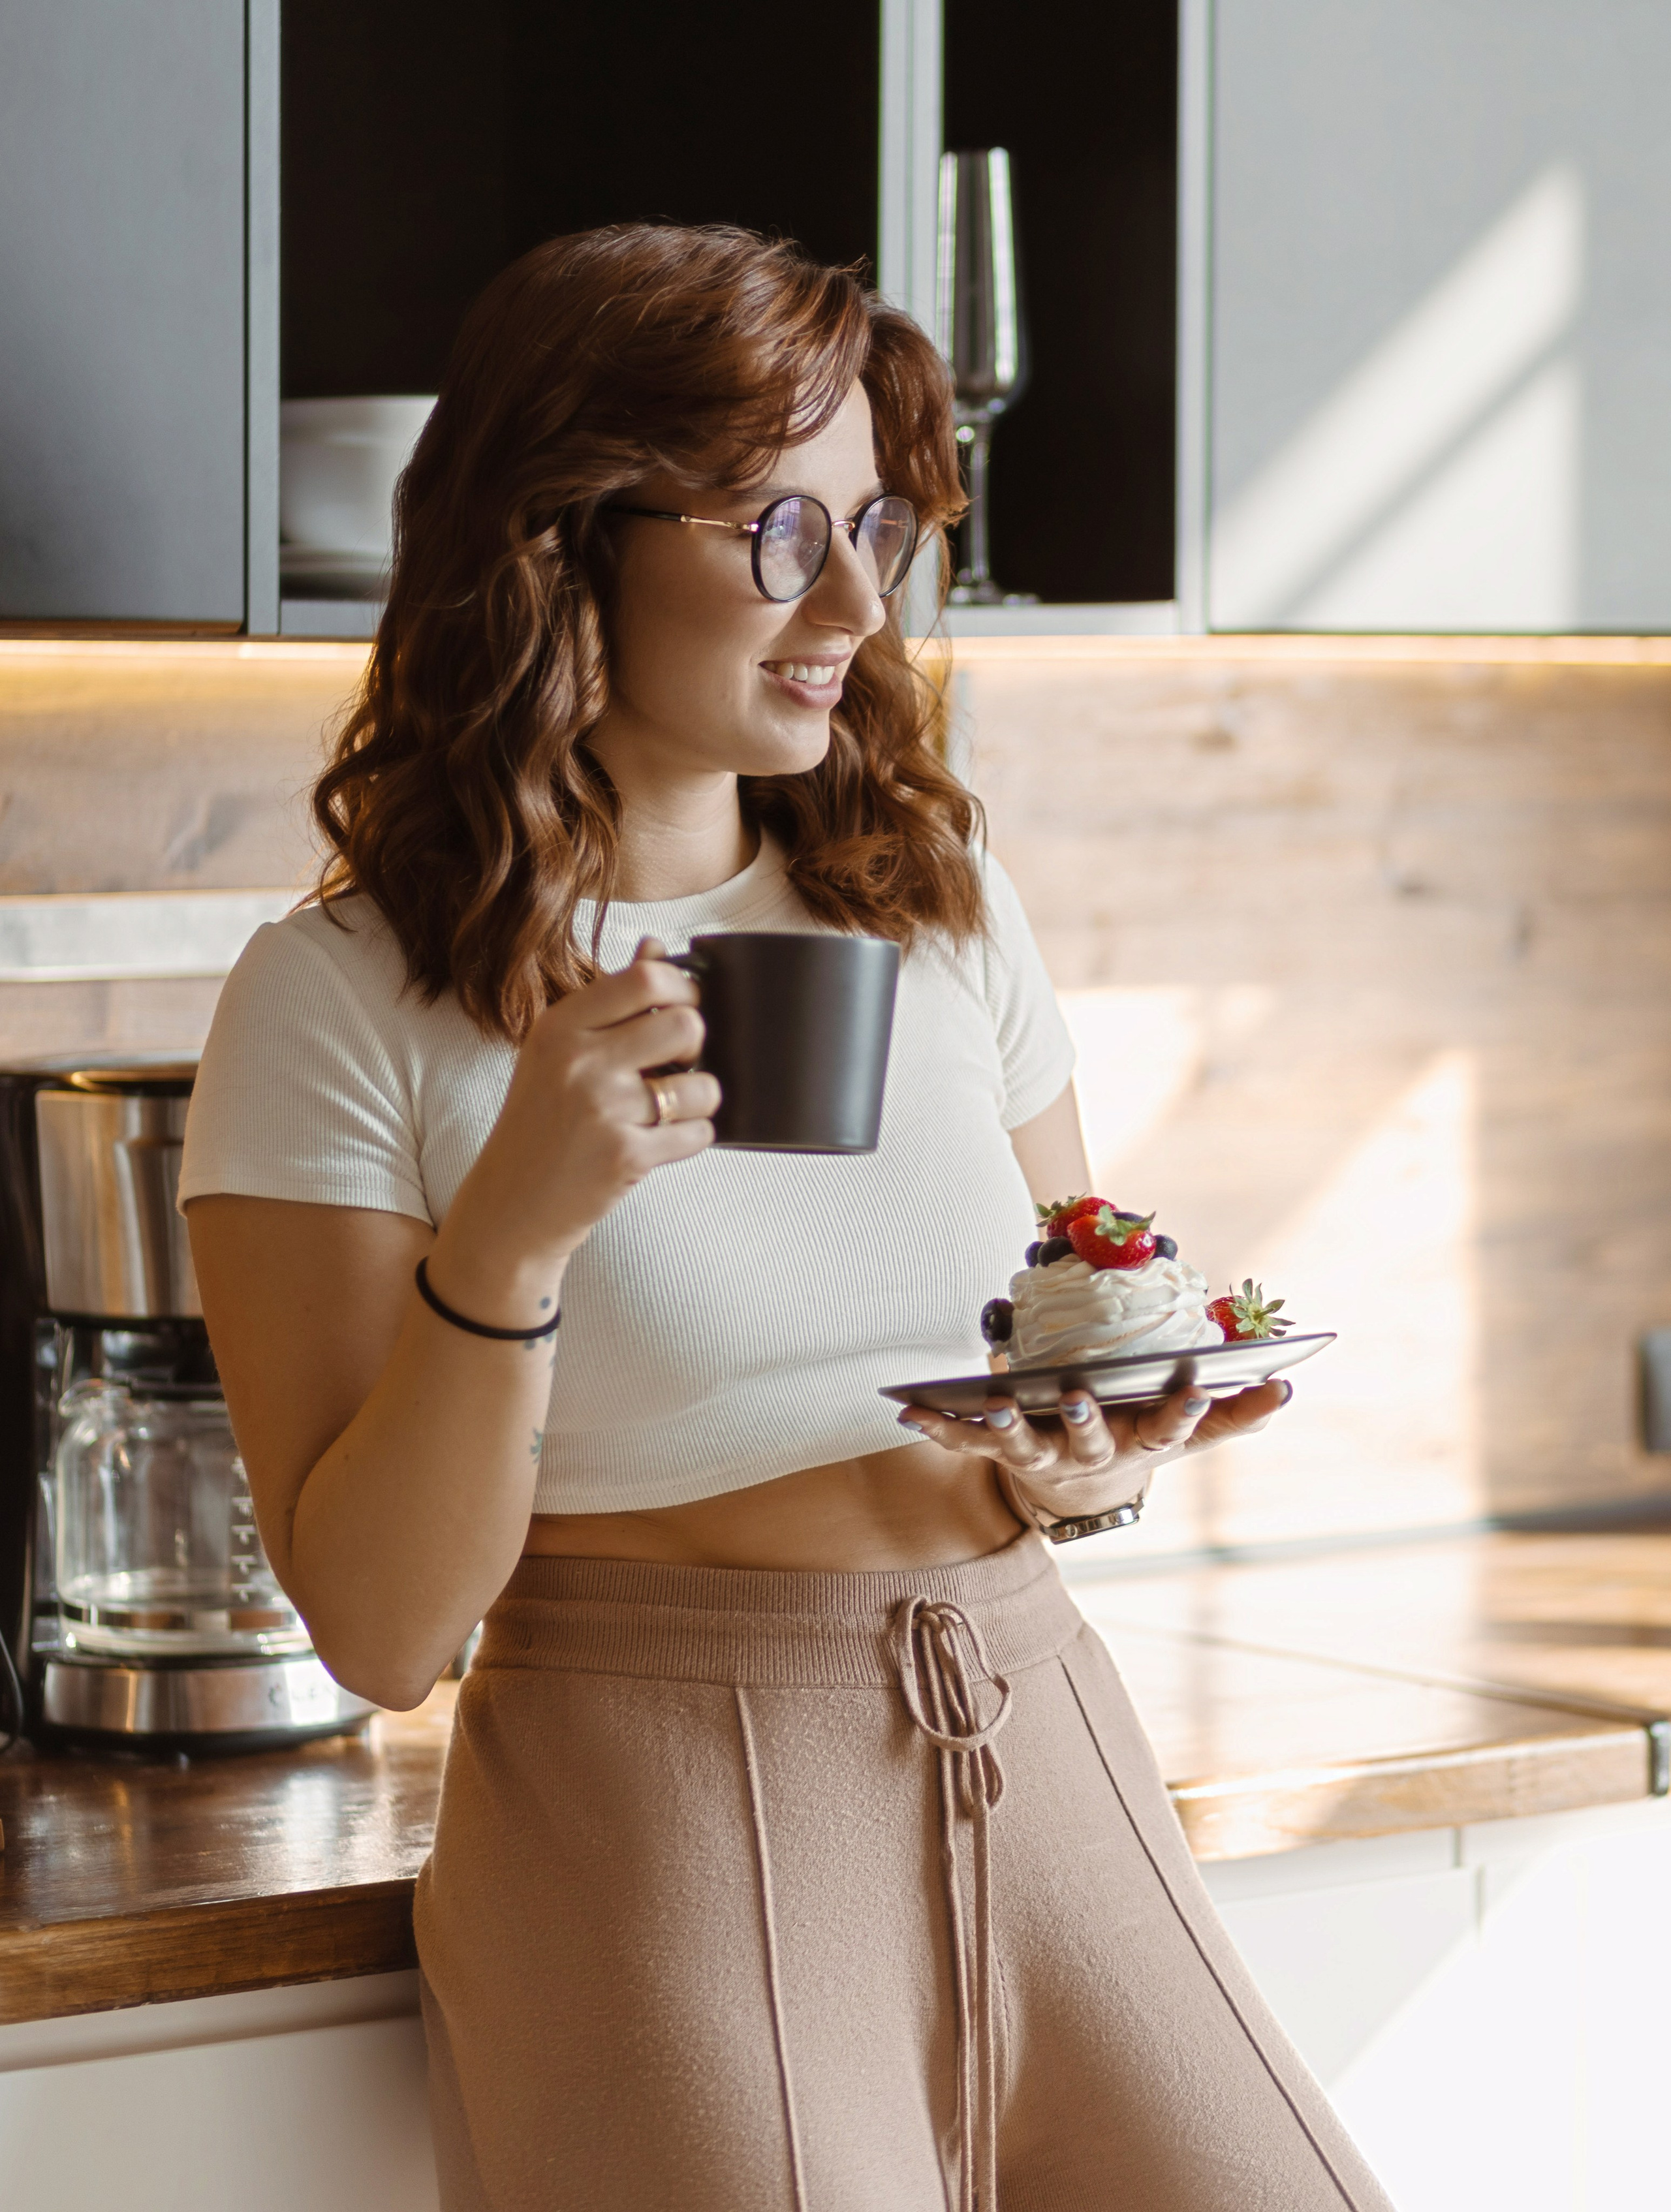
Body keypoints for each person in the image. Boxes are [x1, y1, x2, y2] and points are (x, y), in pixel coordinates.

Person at [181, 225, 1394, 2212]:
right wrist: (515, 1237)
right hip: (652, 1797)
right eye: (773, 532)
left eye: (877, 525)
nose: (850, 599)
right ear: (563, 539)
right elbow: (386, 1632)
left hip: (1034, 1716)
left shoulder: (936, 900)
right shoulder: (338, 1000)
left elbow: (1042, 1338)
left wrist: (1097, 1457)